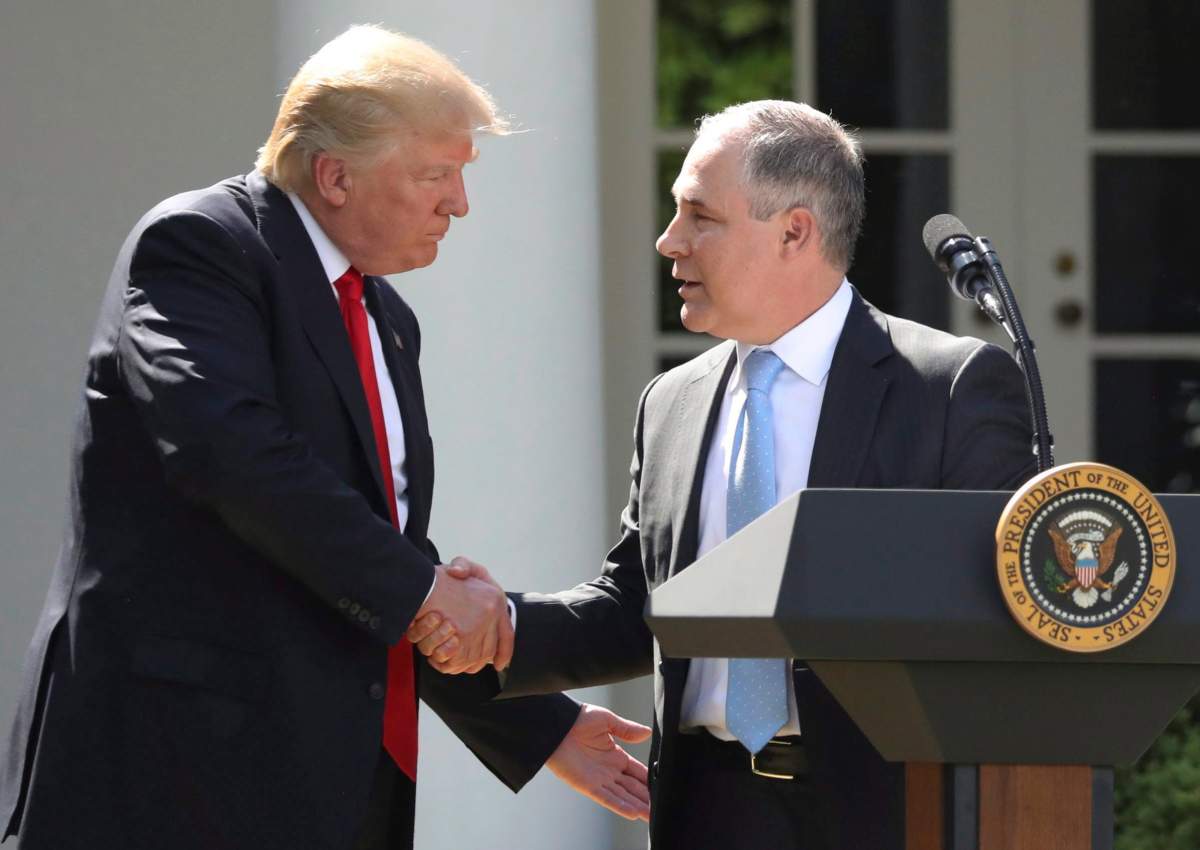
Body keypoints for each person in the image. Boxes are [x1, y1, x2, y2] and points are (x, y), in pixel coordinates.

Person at [0, 25, 649, 850]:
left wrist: (538, 726)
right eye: (435, 174)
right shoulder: (198, 247)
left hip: (334, 784)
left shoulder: (386, 317)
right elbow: (231, 454)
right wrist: (430, 595)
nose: (458, 202)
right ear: (335, 176)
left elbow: (366, 555)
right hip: (174, 778)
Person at [414, 100, 1037, 848]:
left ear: (794, 231)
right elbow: (640, 605)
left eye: (699, 216)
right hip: (706, 809)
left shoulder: (948, 387)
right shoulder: (670, 402)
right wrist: (504, 624)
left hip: (887, 811)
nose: (668, 240)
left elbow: (995, 619)